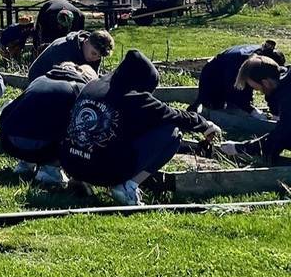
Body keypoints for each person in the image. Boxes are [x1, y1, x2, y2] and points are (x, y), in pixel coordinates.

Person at [61, 49, 221, 206]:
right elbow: (176, 116)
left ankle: (80, 180)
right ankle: (127, 187)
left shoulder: (93, 85)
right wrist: (206, 125)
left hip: (71, 164)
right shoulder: (136, 97)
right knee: (171, 133)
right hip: (103, 172)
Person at [0, 62, 97, 187]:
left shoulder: (41, 79)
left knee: (36, 118)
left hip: (8, 141)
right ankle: (50, 170)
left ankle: (25, 164)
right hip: (41, 149)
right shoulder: (79, 88)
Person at [218, 55, 291, 164]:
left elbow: (282, 135)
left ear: (265, 82)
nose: (259, 92)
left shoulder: (287, 98)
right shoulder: (283, 80)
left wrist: (240, 148)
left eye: (258, 88)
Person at [192, 41, 284, 118]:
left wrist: (275, 111)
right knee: (215, 108)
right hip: (214, 74)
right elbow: (234, 93)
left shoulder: (264, 58)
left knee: (239, 104)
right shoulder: (242, 66)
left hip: (233, 71)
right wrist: (251, 110)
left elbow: (270, 88)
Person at [27, 28, 115, 82]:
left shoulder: (95, 54)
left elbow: (91, 80)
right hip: (40, 78)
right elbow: (60, 80)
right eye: (94, 53)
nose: (95, 58)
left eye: (99, 56)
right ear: (86, 42)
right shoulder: (64, 48)